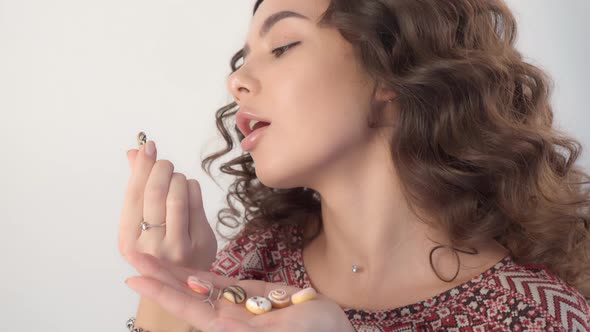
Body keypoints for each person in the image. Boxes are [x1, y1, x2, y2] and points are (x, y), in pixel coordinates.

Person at [119, 0, 590, 331]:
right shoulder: (252, 263)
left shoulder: (537, 316)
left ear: (391, 69)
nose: (235, 80)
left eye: (282, 46)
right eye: (243, 59)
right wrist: (165, 291)